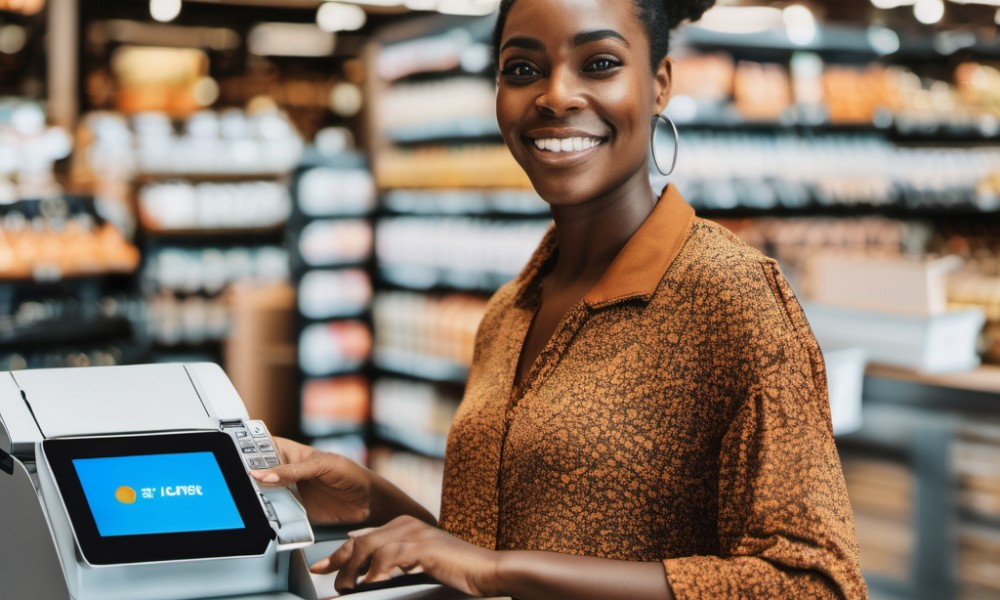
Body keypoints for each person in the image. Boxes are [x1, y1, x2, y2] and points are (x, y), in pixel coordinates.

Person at [253, 0, 869, 597]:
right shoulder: (508, 311)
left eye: (599, 63)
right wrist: (371, 498)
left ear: (658, 85)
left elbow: (816, 584)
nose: (555, 95)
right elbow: (490, 556)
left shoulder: (728, 294)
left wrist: (497, 573)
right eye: (522, 69)